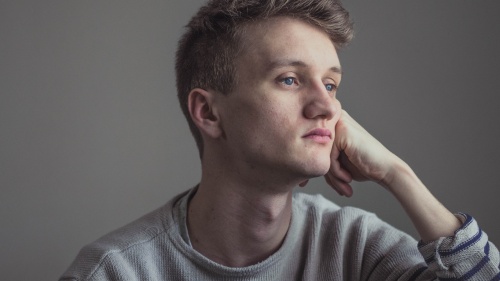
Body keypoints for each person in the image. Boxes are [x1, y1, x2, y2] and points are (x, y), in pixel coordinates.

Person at [60, 0, 500, 280]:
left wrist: (398, 174)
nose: (327, 107)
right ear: (209, 112)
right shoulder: (116, 271)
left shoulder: (356, 248)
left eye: (330, 85)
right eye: (290, 80)